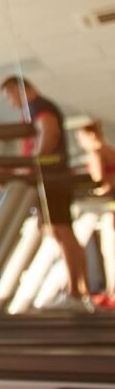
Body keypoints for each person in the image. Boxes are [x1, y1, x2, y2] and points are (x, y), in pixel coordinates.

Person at [0, 75, 91, 310]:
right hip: (51, 178)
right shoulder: (35, 109)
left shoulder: (39, 106)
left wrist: (33, 166)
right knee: (60, 233)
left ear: (20, 89)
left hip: (51, 179)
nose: (10, 102)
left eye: (10, 95)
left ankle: (76, 295)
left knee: (61, 232)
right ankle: (79, 293)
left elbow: (49, 133)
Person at [76, 120, 115, 299]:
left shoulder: (96, 153)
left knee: (109, 249)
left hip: (106, 205)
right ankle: (111, 290)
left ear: (91, 136)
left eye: (81, 139)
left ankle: (111, 291)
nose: (80, 144)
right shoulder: (110, 150)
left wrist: (89, 195)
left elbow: (101, 182)